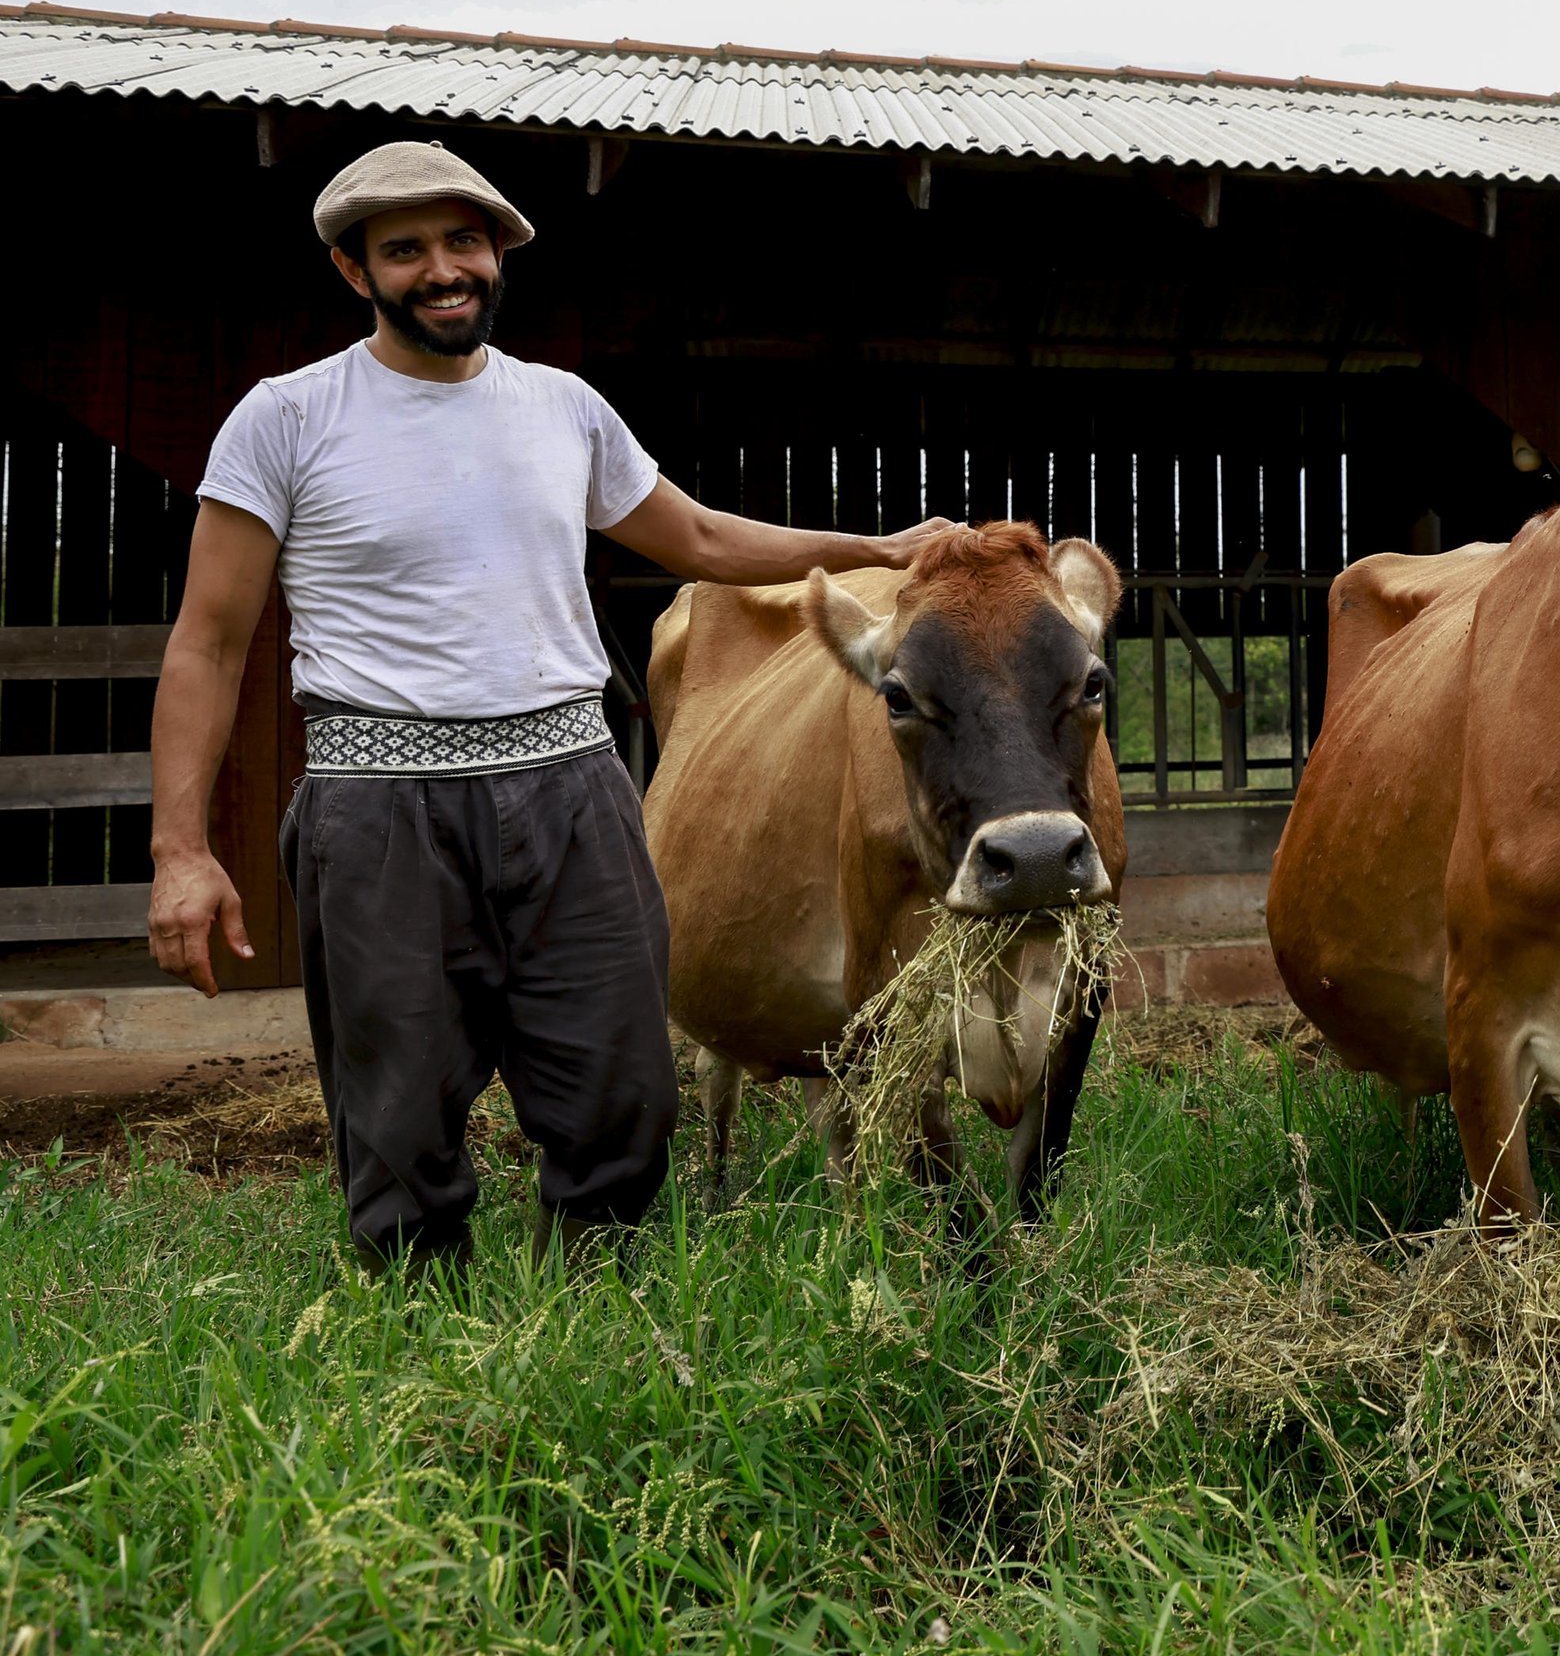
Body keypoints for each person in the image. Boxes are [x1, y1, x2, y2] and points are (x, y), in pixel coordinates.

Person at [146, 140, 955, 1265]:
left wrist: (875, 545)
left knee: (622, 1091)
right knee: (398, 1113)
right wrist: (181, 848)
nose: (443, 268)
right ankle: (420, 1340)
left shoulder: (562, 407)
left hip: (573, 792)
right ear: (354, 271)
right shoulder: (286, 418)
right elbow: (209, 640)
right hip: (382, 806)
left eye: (463, 241)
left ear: (497, 253)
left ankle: (594, 1320)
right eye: (407, 249)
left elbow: (703, 537)